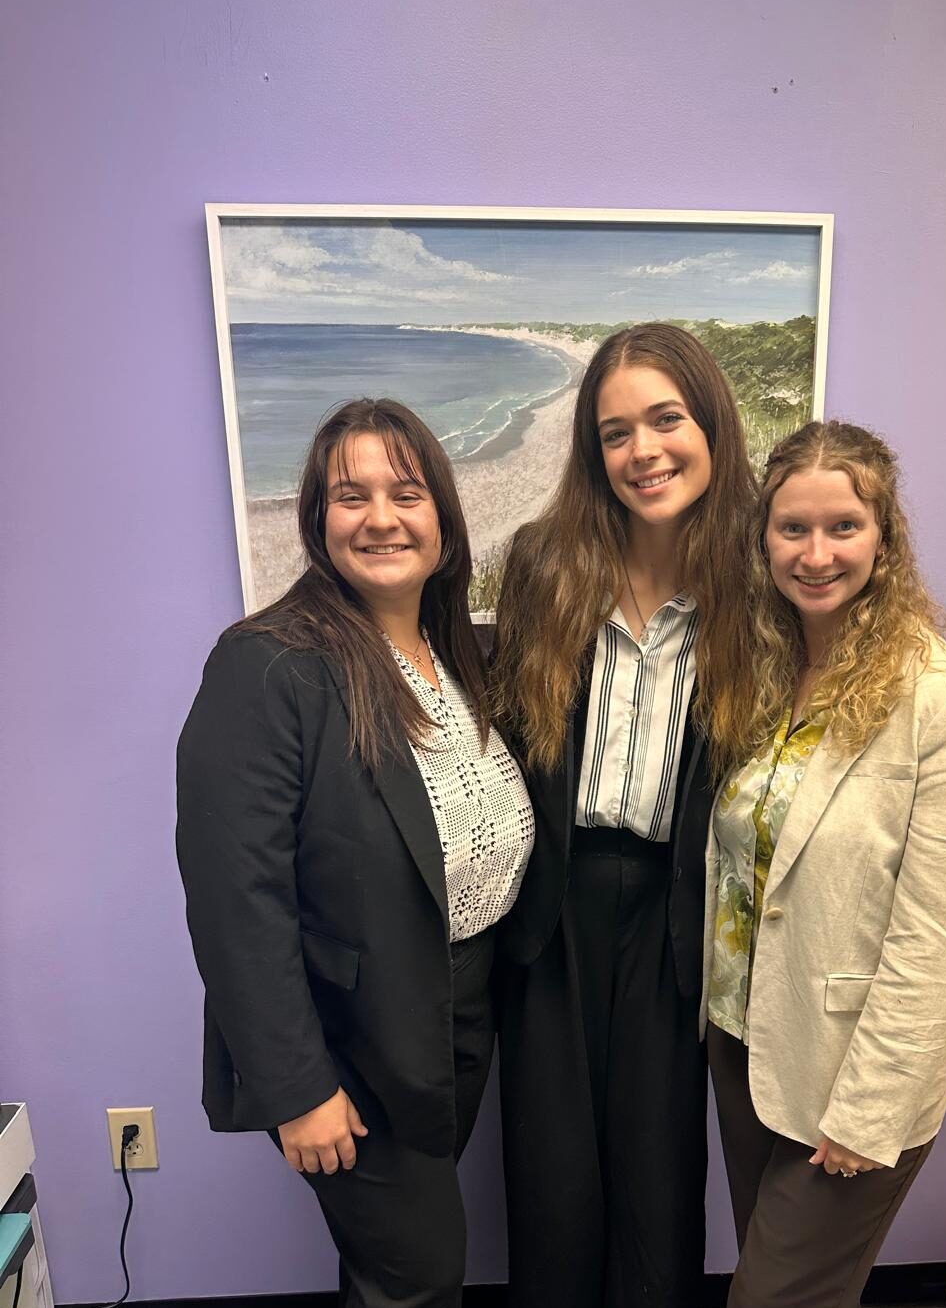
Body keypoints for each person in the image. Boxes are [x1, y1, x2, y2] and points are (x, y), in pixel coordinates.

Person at [176, 398, 534, 1308]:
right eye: (352, 495)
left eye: (406, 493)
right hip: (352, 1042)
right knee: (421, 1277)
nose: (381, 517)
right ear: (317, 517)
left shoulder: (457, 651)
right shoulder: (267, 665)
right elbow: (236, 899)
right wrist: (298, 1089)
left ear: (443, 519)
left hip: (453, 1014)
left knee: (390, 1271)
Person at [490, 323, 762, 1308]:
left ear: (711, 424)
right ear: (592, 451)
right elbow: (512, 738)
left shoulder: (756, 581)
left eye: (665, 419)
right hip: (554, 907)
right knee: (551, 1184)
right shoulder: (543, 564)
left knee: (659, 1185)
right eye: (615, 432)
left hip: (674, 913)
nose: (643, 450)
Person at [703, 420, 946, 1308]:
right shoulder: (765, 674)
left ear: (885, 537)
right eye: (793, 528)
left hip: (850, 1075)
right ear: (763, 539)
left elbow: (936, 940)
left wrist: (871, 1111)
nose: (816, 553)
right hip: (747, 1047)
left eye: (843, 526)